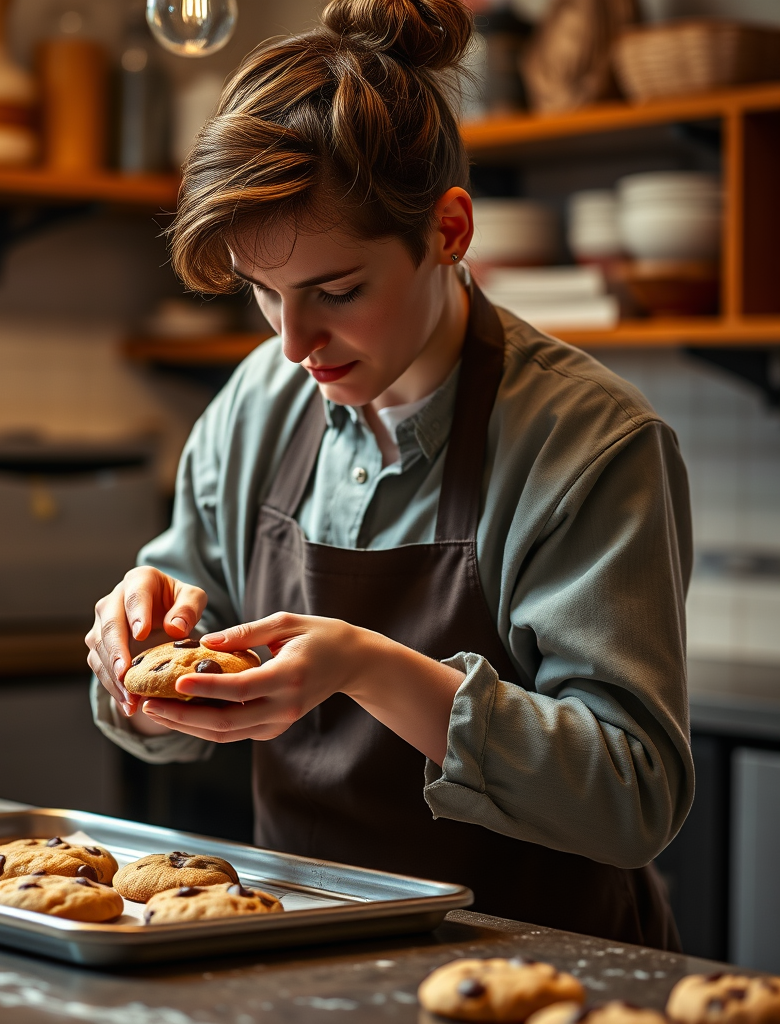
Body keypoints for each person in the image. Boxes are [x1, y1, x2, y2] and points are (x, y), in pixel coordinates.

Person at [86, 0, 693, 949]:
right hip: (296, 960)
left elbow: (633, 794)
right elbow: (157, 688)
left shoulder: (586, 442)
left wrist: (367, 667)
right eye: (263, 293)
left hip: (540, 977)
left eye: (336, 292)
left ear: (449, 231)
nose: (293, 344)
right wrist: (133, 667)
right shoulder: (257, 404)